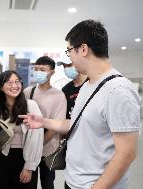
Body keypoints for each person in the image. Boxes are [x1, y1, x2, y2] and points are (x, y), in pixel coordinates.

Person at [19, 19, 141, 189]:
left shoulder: (118, 90)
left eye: (69, 51)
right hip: (74, 181)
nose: (69, 57)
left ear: (83, 49)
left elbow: (126, 154)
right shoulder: (88, 86)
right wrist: (43, 122)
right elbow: (77, 123)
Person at [23, 56, 67, 189]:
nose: (38, 72)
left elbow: (56, 126)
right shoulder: (28, 92)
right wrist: (32, 146)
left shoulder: (58, 96)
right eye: (36, 69)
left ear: (52, 72)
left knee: (47, 184)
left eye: (42, 69)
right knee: (28, 182)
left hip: (48, 150)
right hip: (30, 149)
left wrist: (38, 144)